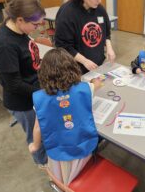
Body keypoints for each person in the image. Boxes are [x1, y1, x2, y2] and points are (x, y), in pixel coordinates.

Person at [29, 48, 101, 186]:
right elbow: (97, 84)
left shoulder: (40, 98)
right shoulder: (85, 88)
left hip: (58, 148)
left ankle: (65, 186)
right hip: (83, 144)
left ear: (44, 74)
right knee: (82, 172)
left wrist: (35, 146)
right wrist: (95, 81)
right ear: (73, 69)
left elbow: (38, 128)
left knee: (62, 176)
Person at [0, 0, 47, 165]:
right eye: (35, 24)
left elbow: (30, 60)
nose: (37, 28)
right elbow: (13, 84)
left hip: (34, 93)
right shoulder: (4, 45)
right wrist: (43, 92)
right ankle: (44, 166)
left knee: (43, 132)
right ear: (20, 19)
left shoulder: (21, 31)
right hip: (23, 103)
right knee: (35, 138)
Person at [55, 0, 115, 74]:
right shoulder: (67, 13)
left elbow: (106, 32)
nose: (99, 0)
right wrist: (84, 61)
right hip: (76, 70)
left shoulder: (99, 9)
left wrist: (109, 48)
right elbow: (63, 47)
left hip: (97, 65)